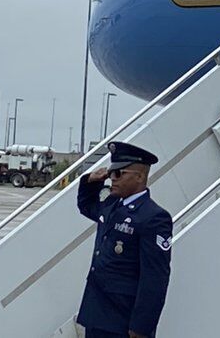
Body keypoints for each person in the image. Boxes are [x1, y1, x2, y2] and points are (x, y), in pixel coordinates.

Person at [76, 141, 172, 338]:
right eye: (111, 173)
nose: (113, 179)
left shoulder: (153, 217)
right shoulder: (112, 205)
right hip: (97, 313)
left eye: (119, 174)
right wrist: (91, 181)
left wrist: (141, 327)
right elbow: (86, 206)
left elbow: (155, 277)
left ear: (139, 176)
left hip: (123, 320)